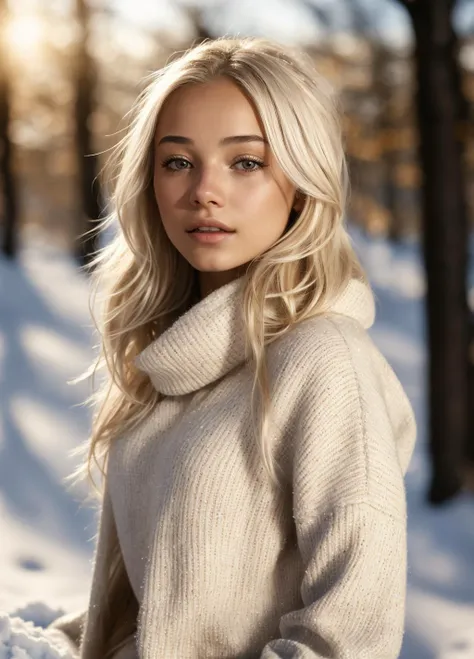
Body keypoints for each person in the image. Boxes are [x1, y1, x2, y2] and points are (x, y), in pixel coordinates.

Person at [50, 36, 416, 659]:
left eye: (246, 162)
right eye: (177, 162)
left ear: (301, 183)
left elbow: (351, 637)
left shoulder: (324, 359)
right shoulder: (168, 362)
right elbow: (166, 608)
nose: (204, 192)